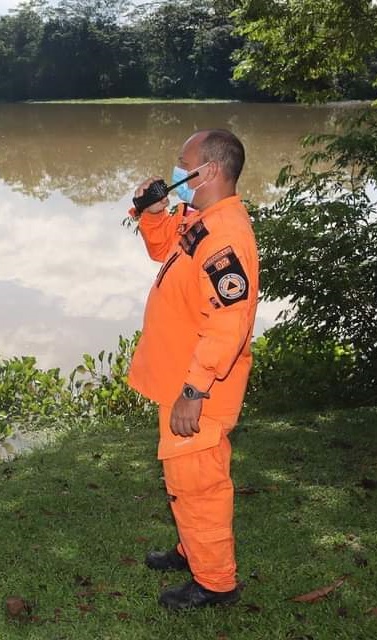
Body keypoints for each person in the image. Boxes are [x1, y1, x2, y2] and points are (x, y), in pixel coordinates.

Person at [127, 129, 259, 610]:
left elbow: (230, 320)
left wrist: (195, 389)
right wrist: (154, 212)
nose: (175, 172)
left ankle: (216, 584)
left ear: (211, 172)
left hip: (197, 390)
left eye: (183, 164)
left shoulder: (226, 236)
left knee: (199, 485)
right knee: (184, 482)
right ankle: (192, 551)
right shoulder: (201, 220)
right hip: (178, 379)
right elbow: (165, 251)